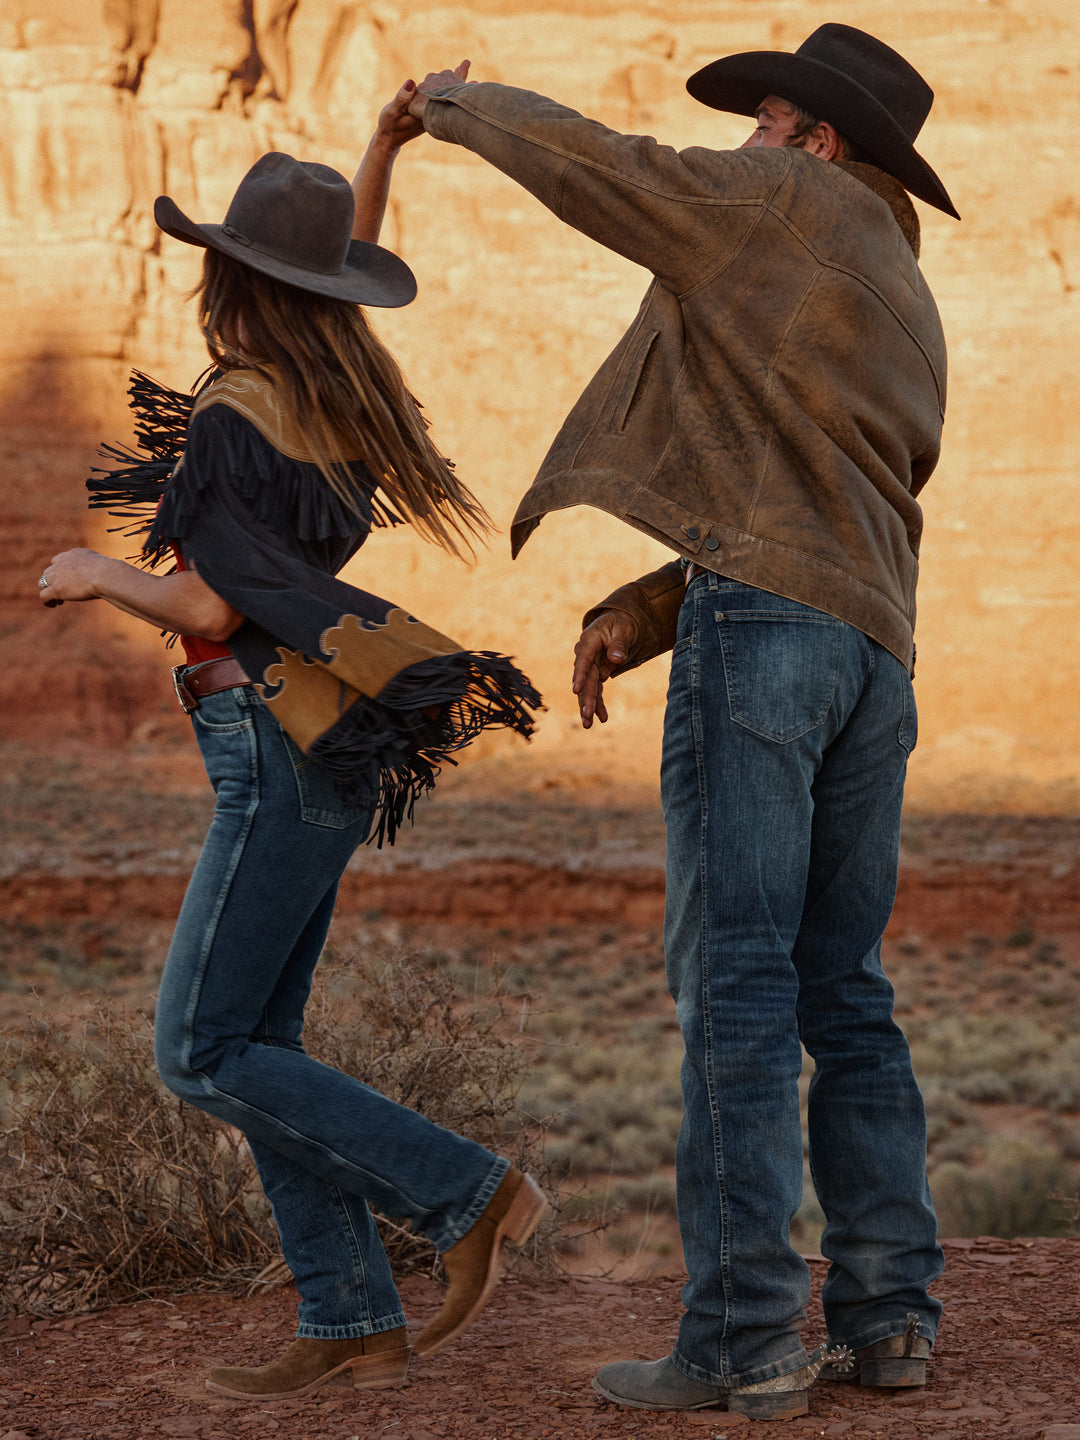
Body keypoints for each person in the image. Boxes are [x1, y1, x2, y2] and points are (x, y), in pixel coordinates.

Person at [400, 23, 957, 1421]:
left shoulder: (783, 200)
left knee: (741, 992)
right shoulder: (901, 287)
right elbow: (828, 491)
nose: (746, 141)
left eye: (769, 119)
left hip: (766, 645)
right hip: (870, 660)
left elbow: (614, 172)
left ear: (819, 140)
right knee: (847, 995)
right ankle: (891, 1321)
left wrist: (462, 109)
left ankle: (744, 1338)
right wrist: (645, 612)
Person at [37, 84, 545, 1402]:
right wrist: (375, 157)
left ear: (228, 282)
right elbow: (332, 274)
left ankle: (470, 1196)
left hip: (263, 744)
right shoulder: (344, 408)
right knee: (264, 1040)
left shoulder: (228, 415)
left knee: (202, 1050)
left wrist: (98, 571)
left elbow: (206, 603)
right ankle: (345, 1315)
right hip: (324, 745)